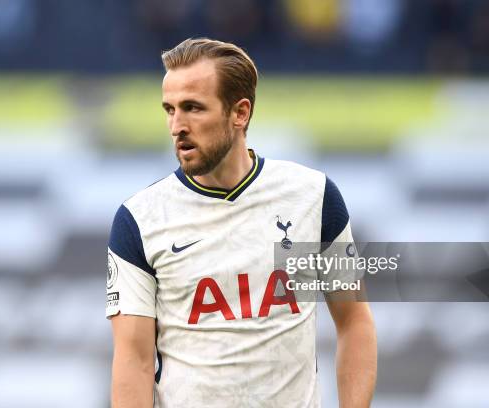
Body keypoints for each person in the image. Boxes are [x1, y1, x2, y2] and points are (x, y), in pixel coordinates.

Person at [106, 37, 377, 408]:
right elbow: (133, 362)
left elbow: (354, 322)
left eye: (193, 108)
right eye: (169, 109)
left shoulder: (312, 196)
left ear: (240, 113)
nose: (177, 126)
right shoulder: (139, 219)